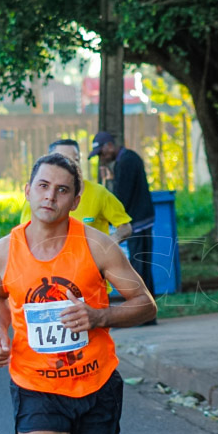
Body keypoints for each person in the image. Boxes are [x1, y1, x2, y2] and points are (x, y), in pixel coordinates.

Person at [0, 153, 156, 434]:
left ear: (75, 200)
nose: (50, 197)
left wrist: (99, 315)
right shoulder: (2, 252)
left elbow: (145, 305)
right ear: (27, 191)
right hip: (35, 386)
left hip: (96, 386)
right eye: (43, 186)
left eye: (62, 190)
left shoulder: (97, 246)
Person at [89, 132, 156, 309]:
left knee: (139, 267)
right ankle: (147, 310)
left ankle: (143, 309)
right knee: (142, 265)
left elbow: (121, 199)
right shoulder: (126, 159)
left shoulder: (127, 162)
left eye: (101, 153)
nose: (101, 158)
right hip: (141, 220)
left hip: (138, 222)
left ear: (109, 146)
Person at [19, 139, 132, 244]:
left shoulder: (99, 193)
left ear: (75, 202)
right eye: (64, 160)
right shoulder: (37, 197)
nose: (72, 165)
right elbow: (25, 236)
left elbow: (125, 227)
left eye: (76, 159)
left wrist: (106, 246)